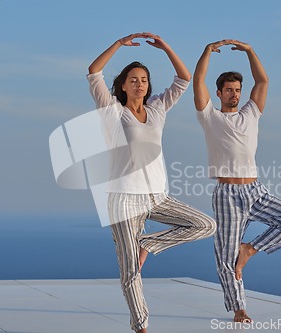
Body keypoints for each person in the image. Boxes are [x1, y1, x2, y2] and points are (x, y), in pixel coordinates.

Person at [87, 32, 216, 333]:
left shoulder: (157, 109)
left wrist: (166, 47)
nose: (139, 84)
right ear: (122, 85)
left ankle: (149, 243)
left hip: (157, 196)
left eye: (143, 79)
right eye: (133, 79)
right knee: (131, 271)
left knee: (205, 225)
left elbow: (183, 79)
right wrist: (118, 44)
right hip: (123, 200)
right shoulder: (112, 112)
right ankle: (141, 327)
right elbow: (94, 72)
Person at [193, 39, 281, 323]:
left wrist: (251, 52)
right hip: (227, 194)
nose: (234, 94)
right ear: (219, 93)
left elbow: (263, 80)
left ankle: (250, 249)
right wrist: (207, 52)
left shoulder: (251, 113)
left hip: (255, 190)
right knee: (225, 259)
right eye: (229, 90)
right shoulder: (210, 117)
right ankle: (239, 309)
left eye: (237, 90)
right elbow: (199, 79)